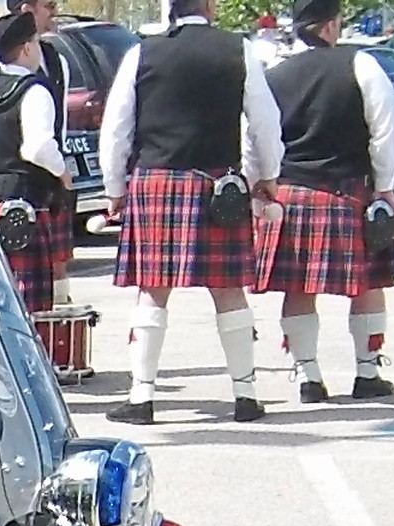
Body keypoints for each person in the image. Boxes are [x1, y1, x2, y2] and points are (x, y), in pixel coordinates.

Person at [98, 0, 284, 423]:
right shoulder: (239, 49)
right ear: (209, 6)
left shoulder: (141, 52)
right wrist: (267, 174)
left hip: (156, 182)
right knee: (228, 288)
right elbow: (264, 122)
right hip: (218, 183)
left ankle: (142, 398)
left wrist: (115, 188)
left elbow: (117, 127)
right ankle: (246, 395)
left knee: (153, 289)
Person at [254, 0, 394, 400]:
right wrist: (385, 187)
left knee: (298, 287)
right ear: (330, 26)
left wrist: (261, 182)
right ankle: (367, 374)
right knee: (368, 284)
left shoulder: (274, 75)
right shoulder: (362, 65)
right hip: (348, 190)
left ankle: (309, 378)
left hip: (291, 192)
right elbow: (384, 132)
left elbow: (256, 135)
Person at [0, 12, 71, 312]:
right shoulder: (35, 90)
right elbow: (38, 148)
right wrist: (63, 173)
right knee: (27, 310)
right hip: (26, 204)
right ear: (26, 48)